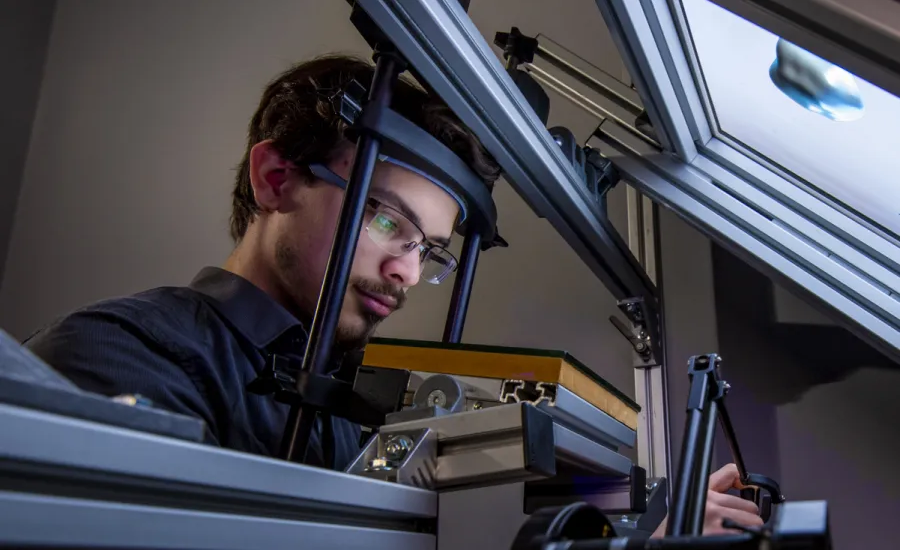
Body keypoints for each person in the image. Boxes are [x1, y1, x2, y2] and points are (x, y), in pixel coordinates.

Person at [22, 53, 761, 535]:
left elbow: (513, 464)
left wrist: (659, 517)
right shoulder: (122, 355)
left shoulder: (363, 399)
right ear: (276, 178)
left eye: (429, 249)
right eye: (388, 220)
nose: (409, 274)